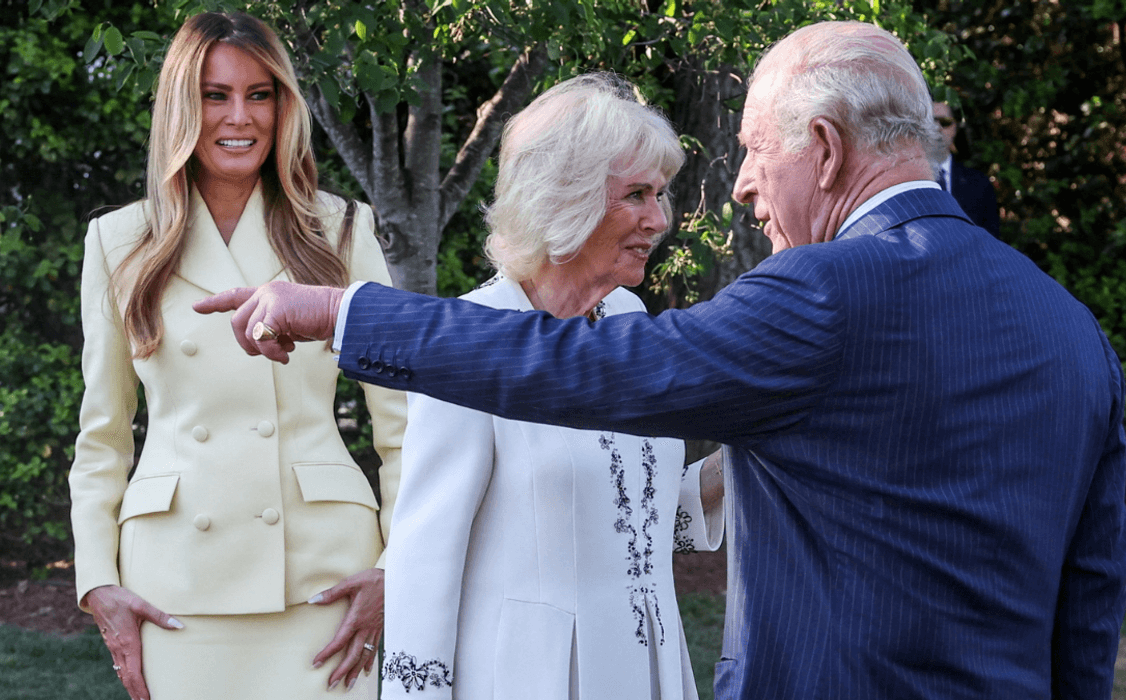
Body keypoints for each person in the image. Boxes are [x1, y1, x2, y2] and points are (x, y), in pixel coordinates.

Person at [197, 20, 1126, 700]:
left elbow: (590, 374)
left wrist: (340, 310)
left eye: (756, 152)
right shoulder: (1073, 331)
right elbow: (1088, 604)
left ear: (826, 150)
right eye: (641, 191)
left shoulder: (818, 295)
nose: (744, 185)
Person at [70, 12, 405, 700]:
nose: (240, 117)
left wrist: (397, 564)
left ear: (285, 106)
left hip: (324, 577)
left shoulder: (340, 230)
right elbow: (102, 438)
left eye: (260, 94)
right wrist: (98, 581)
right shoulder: (118, 242)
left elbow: (403, 427)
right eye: (215, 95)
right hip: (176, 582)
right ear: (182, 108)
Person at [378, 74, 723, 700]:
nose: (659, 219)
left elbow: (630, 517)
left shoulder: (630, 321)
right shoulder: (473, 339)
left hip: (649, 671)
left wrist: (726, 476)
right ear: (566, 198)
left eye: (661, 194)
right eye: (637, 195)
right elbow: (424, 561)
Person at [932, 101, 1000, 237]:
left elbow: (991, 240)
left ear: (955, 128)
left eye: (945, 122)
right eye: (931, 121)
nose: (937, 127)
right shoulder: (903, 181)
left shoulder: (979, 184)